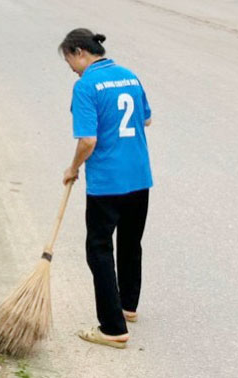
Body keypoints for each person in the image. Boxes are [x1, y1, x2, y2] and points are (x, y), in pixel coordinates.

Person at [59, 28, 153, 350]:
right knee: (130, 242)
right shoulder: (129, 76)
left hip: (107, 183)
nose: (70, 67)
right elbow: (147, 120)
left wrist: (73, 168)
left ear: (79, 52)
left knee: (99, 249)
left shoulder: (85, 86)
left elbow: (88, 140)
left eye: (69, 60)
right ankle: (128, 307)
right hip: (139, 177)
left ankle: (112, 328)